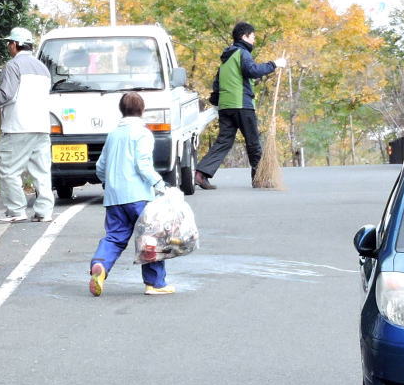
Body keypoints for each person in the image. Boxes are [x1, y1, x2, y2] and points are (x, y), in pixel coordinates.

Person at [89, 92, 175, 296]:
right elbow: (142, 164)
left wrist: (108, 183)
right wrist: (160, 184)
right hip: (138, 196)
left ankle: (100, 265)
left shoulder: (113, 134)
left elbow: (100, 166)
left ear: (121, 110)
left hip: (114, 197)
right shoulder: (143, 133)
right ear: (142, 110)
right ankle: (155, 283)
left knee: (115, 237)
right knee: (150, 237)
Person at [0, 27, 54, 222]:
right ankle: (44, 211)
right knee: (41, 171)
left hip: (18, 126)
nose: (8, 47)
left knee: (9, 169)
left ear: (15, 44)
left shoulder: (12, 66)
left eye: (9, 43)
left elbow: (6, 95)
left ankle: (16, 210)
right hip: (41, 126)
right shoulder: (42, 68)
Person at [194, 21, 288, 189]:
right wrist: (274, 64)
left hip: (226, 106)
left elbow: (217, 83)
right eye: (252, 37)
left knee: (223, 141)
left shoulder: (225, 59)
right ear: (244, 36)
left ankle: (201, 174)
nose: (254, 40)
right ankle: (260, 178)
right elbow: (252, 71)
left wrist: (218, 102)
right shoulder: (242, 53)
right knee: (253, 142)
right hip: (242, 105)